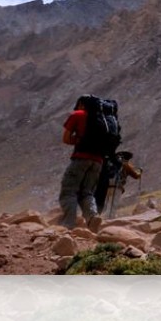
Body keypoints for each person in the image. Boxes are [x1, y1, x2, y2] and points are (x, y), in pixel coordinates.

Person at [59, 97, 104, 230]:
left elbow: (66, 138)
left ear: (81, 104)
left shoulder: (78, 115)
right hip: (98, 161)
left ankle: (68, 224)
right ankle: (92, 217)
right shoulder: (103, 120)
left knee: (69, 191)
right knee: (87, 192)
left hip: (81, 158)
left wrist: (79, 141)